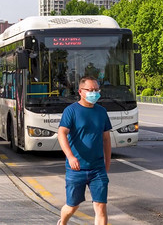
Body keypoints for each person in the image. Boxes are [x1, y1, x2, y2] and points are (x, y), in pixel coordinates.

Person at [57, 76, 112, 225]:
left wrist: (107, 163)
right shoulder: (71, 111)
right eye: (91, 90)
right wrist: (70, 156)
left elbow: (106, 139)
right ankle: (62, 222)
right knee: (72, 206)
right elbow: (61, 133)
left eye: (96, 90)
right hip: (76, 168)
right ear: (81, 91)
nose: (94, 93)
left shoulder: (101, 112)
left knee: (100, 207)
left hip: (97, 168)